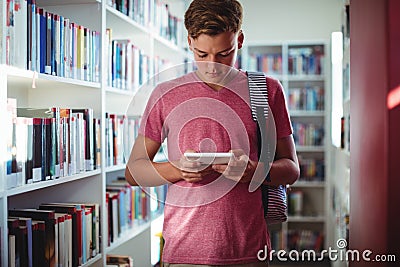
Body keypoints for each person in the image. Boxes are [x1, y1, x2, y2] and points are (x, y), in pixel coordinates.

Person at [125, 0, 300, 266]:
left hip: (249, 250)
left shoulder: (265, 91)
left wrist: (256, 171)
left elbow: (291, 169)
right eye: (202, 54)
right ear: (189, 41)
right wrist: (178, 170)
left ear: (239, 40)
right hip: (184, 250)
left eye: (224, 54)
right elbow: (134, 171)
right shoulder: (165, 94)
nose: (212, 65)